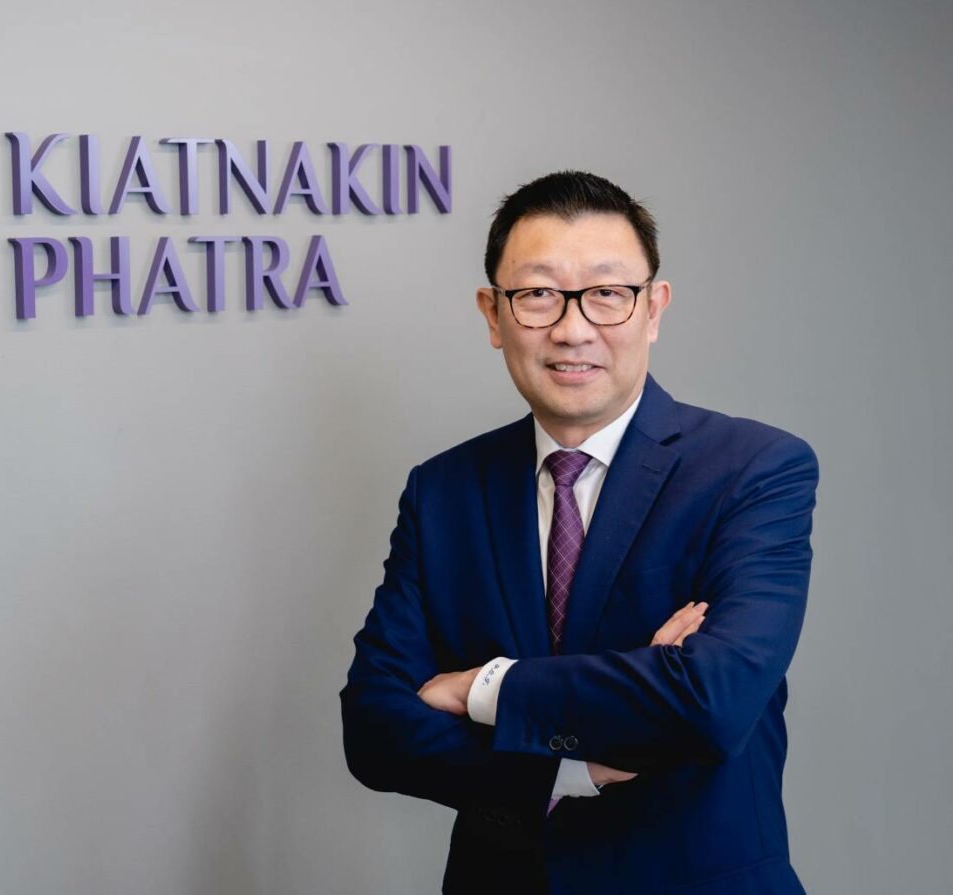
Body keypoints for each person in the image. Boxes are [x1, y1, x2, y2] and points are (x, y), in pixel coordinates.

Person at [339, 171, 818, 894]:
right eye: (537, 294)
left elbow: (713, 700)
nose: (572, 328)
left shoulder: (753, 469)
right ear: (493, 315)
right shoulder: (443, 490)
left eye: (607, 293)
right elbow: (375, 728)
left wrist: (485, 687)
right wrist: (570, 766)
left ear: (653, 308)